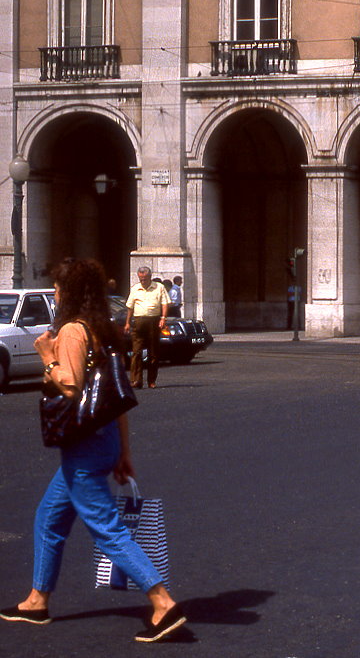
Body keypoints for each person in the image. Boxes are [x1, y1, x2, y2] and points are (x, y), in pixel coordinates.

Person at [0, 258, 185, 643]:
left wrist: (47, 357)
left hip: (83, 450)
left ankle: (162, 601)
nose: (54, 293)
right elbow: (117, 399)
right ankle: (37, 601)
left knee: (107, 529)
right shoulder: (103, 329)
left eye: (57, 288)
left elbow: (71, 387)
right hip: (104, 441)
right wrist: (124, 453)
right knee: (49, 519)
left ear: (69, 293)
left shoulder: (70, 331)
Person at [125, 266, 169, 389]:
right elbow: (130, 307)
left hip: (153, 322)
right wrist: (127, 322)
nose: (143, 281)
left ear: (150, 277)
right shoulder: (135, 288)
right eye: (141, 279)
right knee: (136, 352)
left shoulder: (159, 287)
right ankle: (135, 380)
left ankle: (151, 380)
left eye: (145, 279)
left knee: (153, 353)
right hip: (138, 321)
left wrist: (163, 318)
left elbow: (164, 303)